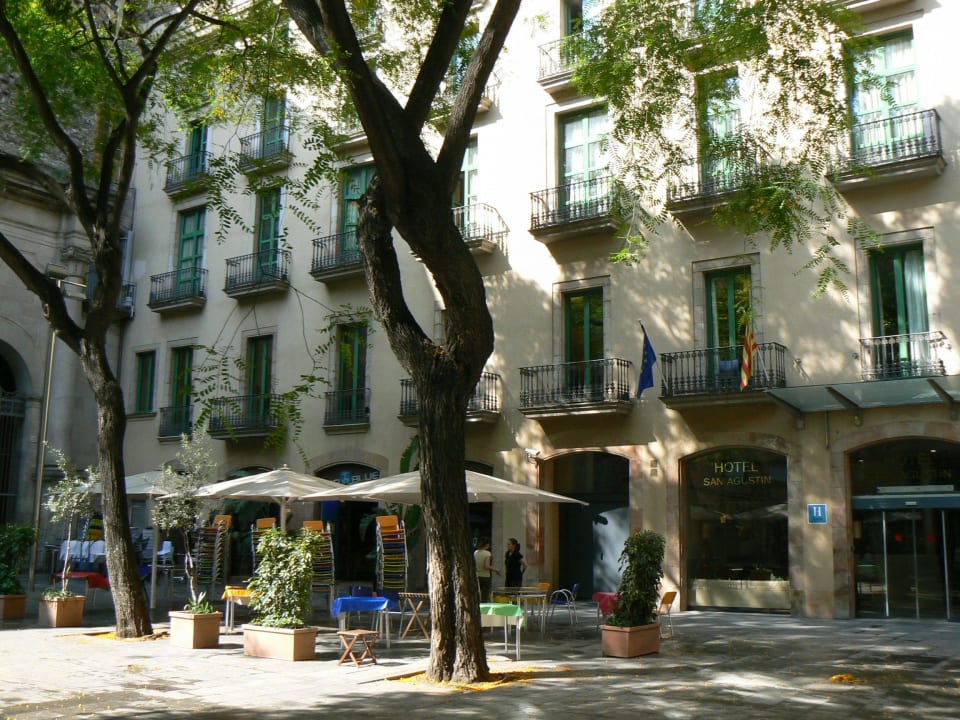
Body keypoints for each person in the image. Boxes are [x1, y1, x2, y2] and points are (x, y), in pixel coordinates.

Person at [473, 537, 499, 602]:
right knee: (485, 595)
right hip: (485, 577)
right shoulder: (487, 553)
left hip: (477, 576)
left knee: (477, 594)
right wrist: (496, 570)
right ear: (487, 545)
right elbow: (486, 566)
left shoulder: (475, 552)